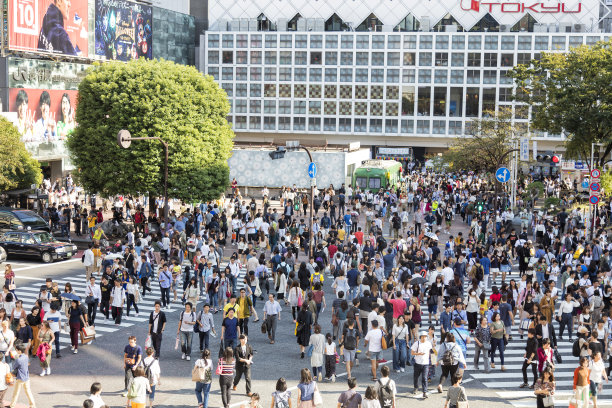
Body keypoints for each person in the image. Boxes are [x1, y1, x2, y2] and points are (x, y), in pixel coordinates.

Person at [9, 342, 35, 408]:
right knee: (28, 392)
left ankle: (12, 405)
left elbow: (14, 367)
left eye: (16, 350)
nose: (16, 351)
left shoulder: (18, 360)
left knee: (16, 393)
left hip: (20, 378)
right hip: (26, 377)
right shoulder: (26, 357)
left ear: (19, 351)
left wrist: (15, 358)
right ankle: (32, 405)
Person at [412, 330, 433, 398]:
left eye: (425, 337)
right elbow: (412, 353)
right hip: (417, 363)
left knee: (424, 378)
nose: (424, 338)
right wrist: (418, 354)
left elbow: (431, 352)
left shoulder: (428, 344)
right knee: (416, 377)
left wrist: (433, 360)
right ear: (420, 337)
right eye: (423, 337)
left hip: (426, 363)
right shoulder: (416, 343)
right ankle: (416, 387)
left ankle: (425, 391)